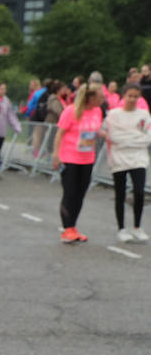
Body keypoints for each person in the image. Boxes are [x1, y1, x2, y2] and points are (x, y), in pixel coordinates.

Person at [53, 79, 104, 243]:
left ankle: (73, 226)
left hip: (87, 158)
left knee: (80, 194)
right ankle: (66, 228)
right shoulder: (71, 111)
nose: (103, 99)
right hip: (69, 157)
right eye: (100, 96)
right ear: (90, 98)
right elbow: (59, 134)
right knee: (70, 193)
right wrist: (56, 155)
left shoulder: (97, 111)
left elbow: (97, 131)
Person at [102, 84, 151, 243]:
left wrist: (124, 139)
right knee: (120, 193)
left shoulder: (144, 115)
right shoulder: (114, 115)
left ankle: (137, 226)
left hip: (138, 158)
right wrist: (132, 138)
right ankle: (121, 228)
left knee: (138, 192)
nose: (132, 99)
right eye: (129, 96)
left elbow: (147, 137)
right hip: (119, 159)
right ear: (123, 96)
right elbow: (112, 136)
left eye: (135, 96)